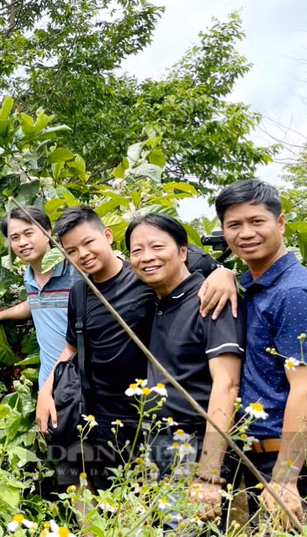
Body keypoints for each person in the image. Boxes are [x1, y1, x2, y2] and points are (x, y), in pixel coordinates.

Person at [40, 206, 238, 491]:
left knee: (160, 502)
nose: (82, 254)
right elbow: (71, 347)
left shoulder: (146, 275)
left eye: (88, 242)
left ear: (108, 236)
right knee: (109, 500)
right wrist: (45, 391)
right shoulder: (80, 293)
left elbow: (194, 271)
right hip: (102, 419)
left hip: (155, 419)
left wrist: (225, 274)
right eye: (71, 251)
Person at [216, 179, 307, 524]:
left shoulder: (294, 293)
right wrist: (223, 272)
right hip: (269, 461)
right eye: (234, 224)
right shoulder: (258, 287)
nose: (246, 233)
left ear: (280, 222)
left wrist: (285, 480)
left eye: (256, 221)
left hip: (302, 468)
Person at [126, 213, 243, 521]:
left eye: (157, 247)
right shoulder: (157, 300)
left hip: (195, 445)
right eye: (137, 250)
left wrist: (208, 474)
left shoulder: (210, 299)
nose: (146, 257)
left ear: (182, 251)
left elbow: (228, 384)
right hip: (158, 443)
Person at [0, 206, 80, 390]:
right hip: (50, 381)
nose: (22, 242)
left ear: (48, 232)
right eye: (15, 237)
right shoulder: (29, 276)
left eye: (29, 233)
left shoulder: (77, 271)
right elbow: (36, 304)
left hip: (86, 379)